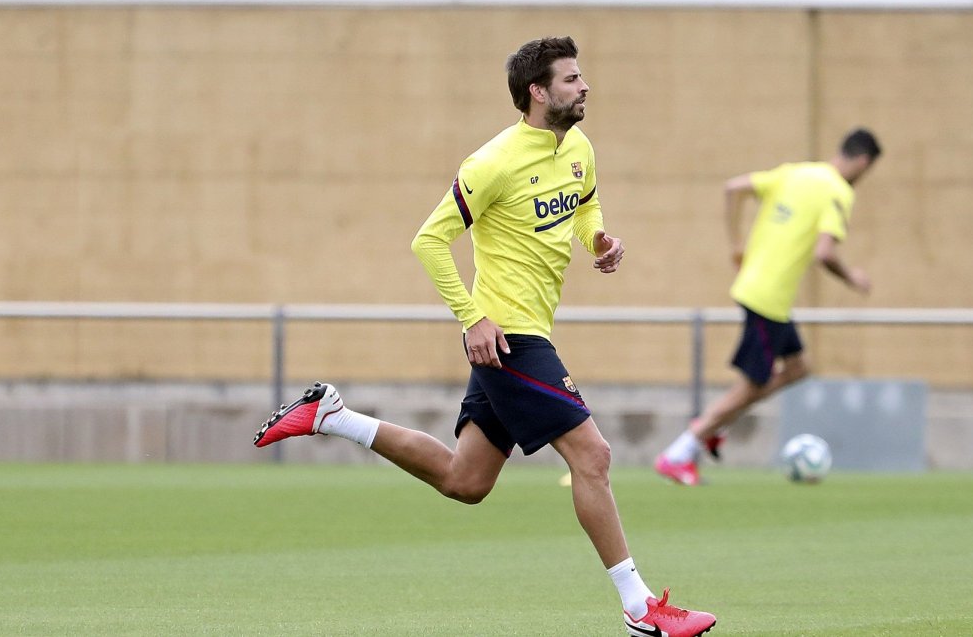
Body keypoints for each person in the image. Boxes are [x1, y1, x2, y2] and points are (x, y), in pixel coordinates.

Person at [252, 36, 716, 637]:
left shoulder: (577, 146)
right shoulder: (492, 162)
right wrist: (472, 318)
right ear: (538, 92)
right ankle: (639, 608)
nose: (585, 87)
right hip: (508, 337)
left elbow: (584, 202)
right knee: (593, 456)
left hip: (518, 334)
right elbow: (428, 240)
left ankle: (331, 416)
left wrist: (597, 238)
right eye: (572, 79)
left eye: (582, 77)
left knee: (464, 481)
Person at [655, 128, 883, 486]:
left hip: (760, 290)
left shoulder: (795, 172)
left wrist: (736, 244)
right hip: (769, 299)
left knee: (798, 367)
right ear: (864, 162)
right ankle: (681, 450)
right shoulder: (838, 191)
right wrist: (852, 278)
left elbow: (733, 188)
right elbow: (825, 252)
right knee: (749, 387)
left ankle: (717, 424)